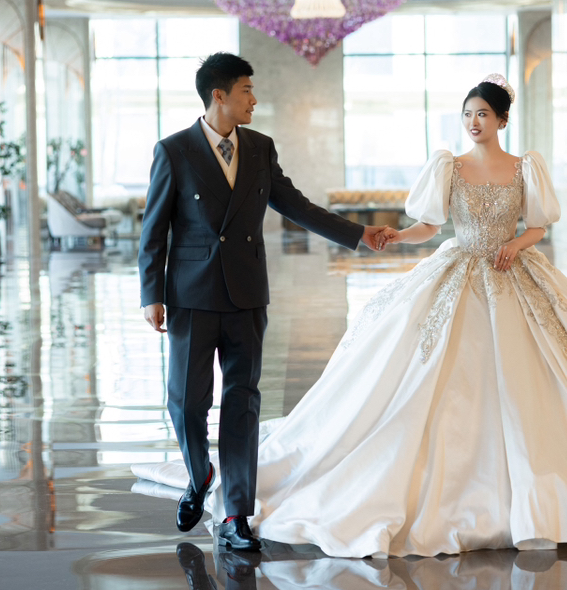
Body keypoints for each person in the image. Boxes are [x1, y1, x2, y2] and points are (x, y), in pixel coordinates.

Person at [140, 73, 567, 558]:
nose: (473, 123)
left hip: (515, 274)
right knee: (425, 370)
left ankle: (541, 478)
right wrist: (386, 236)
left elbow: (538, 224)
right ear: (220, 94)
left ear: (502, 119)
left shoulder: (525, 166)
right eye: (467, 115)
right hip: (451, 269)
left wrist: (516, 244)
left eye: (482, 114)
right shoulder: (449, 166)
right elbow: (430, 226)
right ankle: (209, 480)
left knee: (540, 375)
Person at [138, 52, 389, 553]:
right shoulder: (174, 151)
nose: (254, 99)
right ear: (219, 95)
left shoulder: (259, 147)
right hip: (191, 295)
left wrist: (358, 234)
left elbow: (295, 205)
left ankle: (236, 514)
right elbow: (154, 229)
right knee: (186, 401)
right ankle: (199, 474)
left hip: (247, 293)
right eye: (246, 90)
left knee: (242, 402)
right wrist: (151, 294)